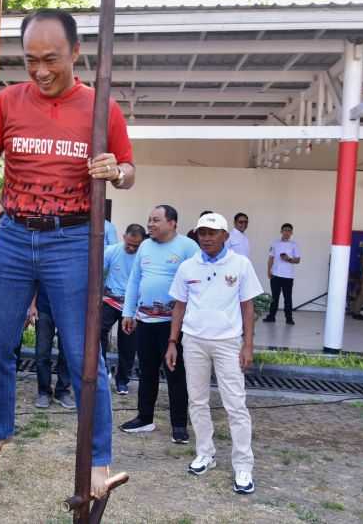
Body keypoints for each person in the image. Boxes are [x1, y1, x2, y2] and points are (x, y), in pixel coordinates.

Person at [0, 8, 135, 497]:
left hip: (73, 239)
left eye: (51, 59)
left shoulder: (101, 107)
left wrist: (114, 171)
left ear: (76, 53)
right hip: (15, 237)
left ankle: (99, 461)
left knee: (86, 355)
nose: (40, 71)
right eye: (31, 60)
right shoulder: (4, 101)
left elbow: (128, 171)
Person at [166, 213, 262, 494]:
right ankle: (205, 453)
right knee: (197, 401)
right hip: (193, 341)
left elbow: (247, 307)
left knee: (236, 405)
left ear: (225, 236)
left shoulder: (240, 264)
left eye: (212, 232)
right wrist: (173, 341)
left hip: (228, 342)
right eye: (202, 233)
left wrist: (248, 345)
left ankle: (243, 465)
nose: (206, 238)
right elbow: (179, 307)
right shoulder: (187, 266)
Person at [120, 205, 198, 444]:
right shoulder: (145, 245)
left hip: (172, 324)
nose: (150, 224)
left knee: (175, 374)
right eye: (149, 220)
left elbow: (197, 283)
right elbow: (135, 280)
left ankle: (178, 425)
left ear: (172, 223)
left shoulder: (187, 247)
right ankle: (145, 418)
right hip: (144, 321)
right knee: (147, 372)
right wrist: (128, 312)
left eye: (156, 220)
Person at [101, 223, 145, 395]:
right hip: (110, 300)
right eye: (129, 243)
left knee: (128, 343)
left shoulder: (143, 256)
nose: (132, 247)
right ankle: (103, 369)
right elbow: (98, 272)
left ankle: (122, 380)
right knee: (98, 332)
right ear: (124, 236)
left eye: (136, 245)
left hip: (132, 304)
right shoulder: (112, 251)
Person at [32, 287, 75, 409]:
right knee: (42, 353)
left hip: (68, 309)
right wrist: (32, 305)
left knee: (66, 353)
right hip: (44, 308)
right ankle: (44, 392)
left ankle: (62, 391)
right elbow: (35, 281)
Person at [263, 223, 301, 325]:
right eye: (285, 230)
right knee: (274, 297)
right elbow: (271, 258)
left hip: (288, 276)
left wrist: (288, 259)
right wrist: (268, 270)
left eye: (289, 230)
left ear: (291, 233)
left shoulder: (294, 244)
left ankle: (289, 318)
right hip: (276, 275)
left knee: (287, 298)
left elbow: (297, 260)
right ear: (281, 231)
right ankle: (271, 316)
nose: (287, 232)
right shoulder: (275, 243)